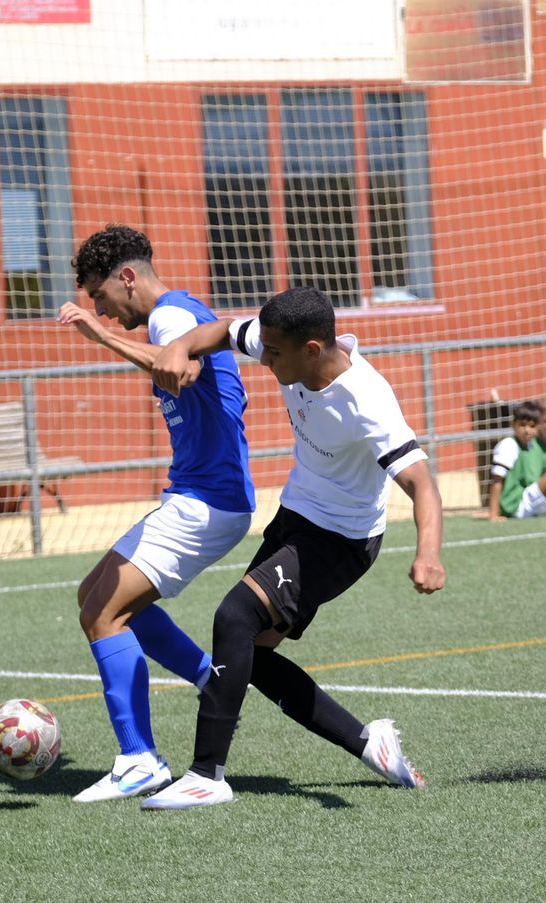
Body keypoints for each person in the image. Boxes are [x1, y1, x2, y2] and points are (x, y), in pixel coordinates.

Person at [140, 285, 445, 810]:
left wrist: (428, 554)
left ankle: (206, 774)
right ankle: (369, 743)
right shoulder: (284, 343)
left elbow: (423, 483)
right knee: (250, 657)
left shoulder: (366, 401)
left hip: (342, 540)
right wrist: (178, 348)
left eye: (274, 352)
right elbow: (221, 331)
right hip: (296, 517)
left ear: (311, 349)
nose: (265, 357)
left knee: (233, 618)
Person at [59, 224, 256, 804]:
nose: (100, 307)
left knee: (102, 614)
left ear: (127, 277)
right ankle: (206, 678)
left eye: (100, 295)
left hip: (206, 501)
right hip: (202, 497)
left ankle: (139, 758)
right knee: (94, 594)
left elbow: (180, 369)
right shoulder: (179, 313)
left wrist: (101, 336)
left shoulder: (170, 315)